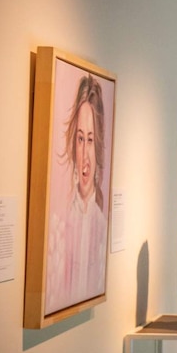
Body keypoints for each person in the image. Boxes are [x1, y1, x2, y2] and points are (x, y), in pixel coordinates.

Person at [46, 73, 108, 314]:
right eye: (80, 139)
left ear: (99, 147)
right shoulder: (58, 226)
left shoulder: (102, 226)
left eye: (91, 141)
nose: (84, 154)